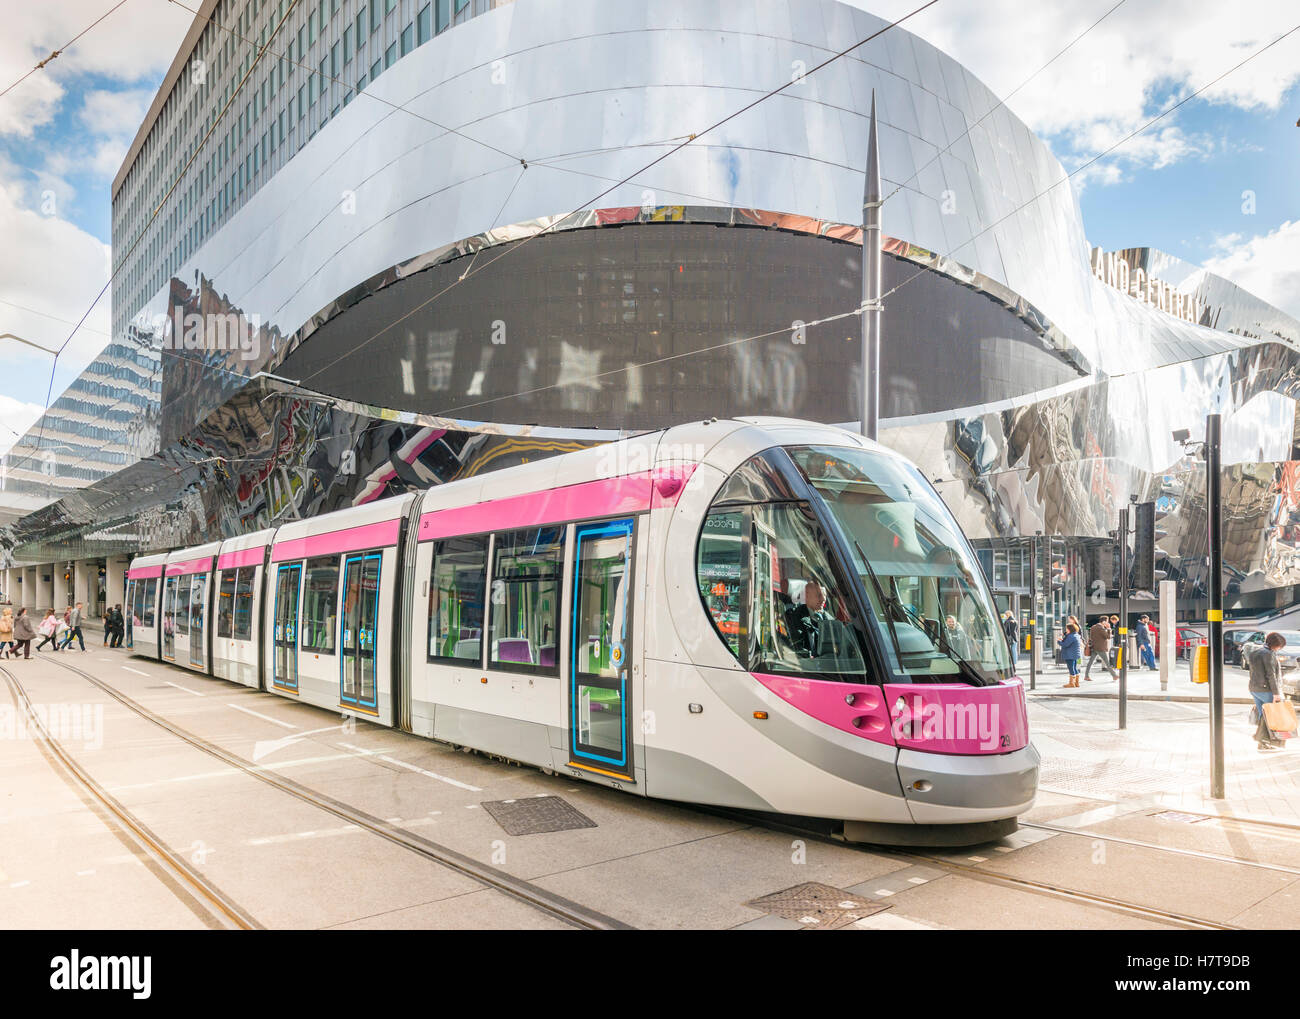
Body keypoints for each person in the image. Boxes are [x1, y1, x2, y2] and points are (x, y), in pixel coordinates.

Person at [1247, 632, 1288, 751]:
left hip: (1254, 688)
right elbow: (1271, 675)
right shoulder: (1269, 654)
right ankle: (1263, 741)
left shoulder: (1254, 652)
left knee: (1262, 715)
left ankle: (1262, 742)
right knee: (1269, 717)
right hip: (1266, 689)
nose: (1279, 648)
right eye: (1279, 646)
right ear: (1274, 644)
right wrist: (1276, 693)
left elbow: (1252, 671)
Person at [786, 581, 833, 657]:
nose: (823, 599)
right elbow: (793, 645)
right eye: (818, 595)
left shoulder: (831, 620)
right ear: (806, 596)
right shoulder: (794, 617)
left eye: (825, 595)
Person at [1085, 616, 1118, 681]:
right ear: (1103, 621)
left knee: (1090, 662)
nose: (1107, 623)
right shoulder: (1101, 628)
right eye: (1107, 622)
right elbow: (1107, 637)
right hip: (1100, 648)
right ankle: (1114, 675)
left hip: (1094, 647)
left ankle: (1086, 676)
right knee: (1107, 663)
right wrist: (1109, 629)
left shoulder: (1093, 627)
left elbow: (1091, 637)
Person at [1060, 621, 1084, 688]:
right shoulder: (1076, 635)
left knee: (1071, 668)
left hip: (1070, 654)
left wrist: (1059, 641)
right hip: (1075, 654)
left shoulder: (1071, 636)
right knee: (1074, 668)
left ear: (1070, 629)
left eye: (1067, 628)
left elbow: (1065, 644)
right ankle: (1077, 683)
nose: (1066, 629)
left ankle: (1071, 683)